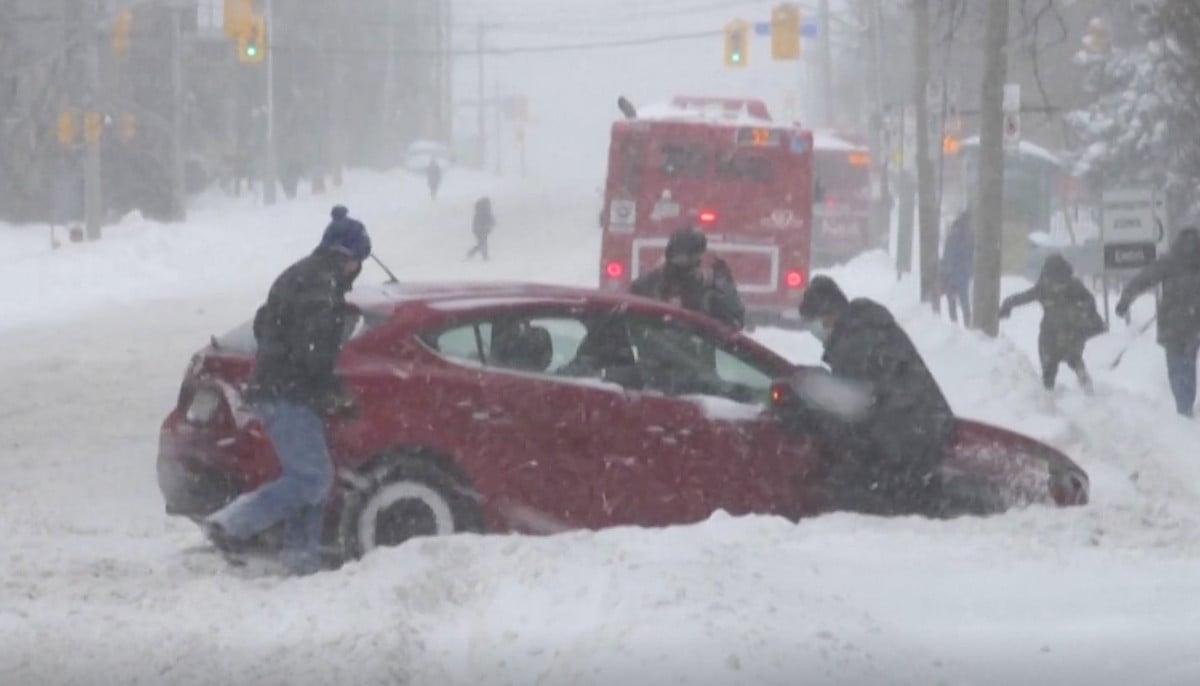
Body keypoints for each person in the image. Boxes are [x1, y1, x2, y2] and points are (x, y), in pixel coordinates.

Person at [203, 205, 371, 575]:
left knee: (312, 474)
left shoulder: (299, 275)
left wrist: (279, 360)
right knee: (311, 478)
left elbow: (265, 323)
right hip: (287, 392)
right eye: (360, 262)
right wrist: (328, 385)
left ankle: (302, 556)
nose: (358, 272)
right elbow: (315, 349)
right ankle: (231, 524)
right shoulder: (321, 287)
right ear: (350, 258)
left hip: (280, 387)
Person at [795, 276, 955, 517]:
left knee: (850, 496)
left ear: (828, 316)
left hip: (908, 441)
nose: (813, 330)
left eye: (812, 322)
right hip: (921, 427)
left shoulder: (855, 341)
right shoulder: (863, 326)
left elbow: (855, 408)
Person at [1115, 227, 1200, 417]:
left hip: (1172, 323)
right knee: (1188, 364)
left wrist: (1125, 300)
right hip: (1193, 324)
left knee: (1177, 366)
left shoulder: (1169, 262)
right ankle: (1185, 404)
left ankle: (1183, 405)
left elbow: (1143, 279)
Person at [1000, 254, 1105, 393]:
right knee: (1068, 361)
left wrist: (1008, 304)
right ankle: (1078, 384)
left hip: (1060, 334)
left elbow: (1024, 297)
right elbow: (1090, 301)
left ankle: (1052, 393)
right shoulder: (1063, 284)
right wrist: (1008, 304)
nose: (1057, 285)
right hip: (1063, 334)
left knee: (1057, 363)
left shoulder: (1056, 285)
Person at [630, 226, 746, 330]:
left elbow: (734, 322)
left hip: (690, 349)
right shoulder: (650, 284)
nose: (681, 263)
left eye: (686, 257)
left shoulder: (711, 287)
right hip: (685, 351)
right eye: (678, 257)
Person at [940, 211, 974, 327]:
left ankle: (955, 324)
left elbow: (947, 256)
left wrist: (945, 273)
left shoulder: (953, 237)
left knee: (953, 301)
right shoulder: (969, 238)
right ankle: (966, 324)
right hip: (962, 275)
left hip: (954, 275)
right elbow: (970, 256)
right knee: (963, 301)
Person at [466, 196, 495, 261]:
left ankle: (472, 253)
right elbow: (489, 219)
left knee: (482, 243)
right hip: (481, 230)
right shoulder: (483, 211)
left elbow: (489, 219)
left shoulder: (480, 211)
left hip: (480, 230)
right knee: (483, 243)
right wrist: (490, 224)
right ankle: (484, 257)